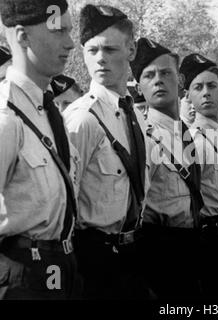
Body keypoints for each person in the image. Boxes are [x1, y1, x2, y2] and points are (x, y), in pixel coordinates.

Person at [63, 4, 149, 299]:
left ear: (132, 51)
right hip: (94, 259)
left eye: (111, 50)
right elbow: (65, 203)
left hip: (131, 252)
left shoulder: (132, 113)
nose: (100, 59)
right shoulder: (82, 118)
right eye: (92, 50)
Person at [0, 0, 81, 299]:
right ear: (23, 36)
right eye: (59, 31)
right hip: (23, 273)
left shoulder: (48, 110)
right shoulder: (5, 116)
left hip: (61, 264)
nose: (71, 43)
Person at [130, 38, 203, 300]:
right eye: (149, 75)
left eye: (165, 73)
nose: (158, 80)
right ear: (139, 86)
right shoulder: (142, 136)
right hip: (160, 250)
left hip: (193, 244)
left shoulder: (186, 132)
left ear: (181, 80)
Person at [180, 53, 218, 299]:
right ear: (188, 96)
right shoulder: (189, 142)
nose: (206, 93)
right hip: (210, 237)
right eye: (198, 87)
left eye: (212, 86)